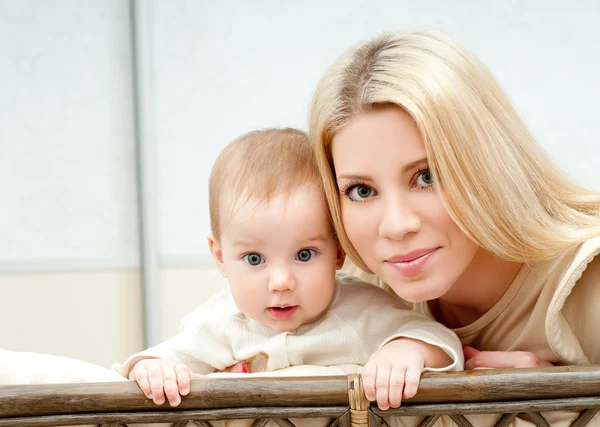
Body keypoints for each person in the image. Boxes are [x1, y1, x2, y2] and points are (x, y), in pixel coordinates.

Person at [308, 28, 600, 404]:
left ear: (487, 161)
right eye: (361, 191)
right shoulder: (354, 297)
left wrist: (567, 403)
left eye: (427, 176)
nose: (397, 226)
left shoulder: (586, 279)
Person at [114, 128, 463, 408]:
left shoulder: (361, 310)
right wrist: (154, 369)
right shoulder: (219, 324)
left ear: (339, 253)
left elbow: (441, 341)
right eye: (254, 259)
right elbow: (158, 359)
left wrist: (405, 351)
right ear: (220, 257)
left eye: (305, 255)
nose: (281, 282)